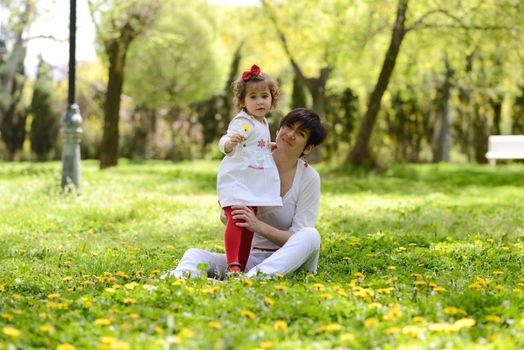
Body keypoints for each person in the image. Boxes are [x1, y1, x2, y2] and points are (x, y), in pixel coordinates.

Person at [162, 108, 327, 279]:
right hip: (252, 258)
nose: (291, 134)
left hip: (291, 261)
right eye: (289, 126)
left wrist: (257, 225)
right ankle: (176, 279)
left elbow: (296, 237)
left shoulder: (309, 178)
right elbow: (231, 217)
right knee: (195, 255)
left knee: (310, 236)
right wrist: (229, 215)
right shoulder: (250, 159)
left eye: (300, 133)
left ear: (308, 148)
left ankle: (249, 281)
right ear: (278, 130)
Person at [217, 64, 282, 273]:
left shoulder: (262, 123)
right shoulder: (243, 121)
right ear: (243, 102)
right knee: (236, 220)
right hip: (237, 180)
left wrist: (268, 146)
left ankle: (242, 265)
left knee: (247, 225)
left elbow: (256, 144)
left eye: (264, 96)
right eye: (252, 97)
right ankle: (233, 264)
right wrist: (230, 143)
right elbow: (227, 139)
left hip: (253, 184)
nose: (260, 101)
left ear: (272, 99)